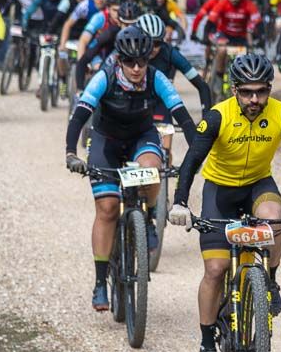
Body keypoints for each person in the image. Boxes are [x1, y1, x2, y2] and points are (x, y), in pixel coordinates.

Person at [169, 54, 281, 352]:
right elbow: (191, 161)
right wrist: (180, 202)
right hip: (220, 191)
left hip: (258, 185)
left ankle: (269, 281)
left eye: (261, 92)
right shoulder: (218, 117)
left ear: (271, 89)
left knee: (275, 222)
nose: (254, 100)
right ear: (234, 90)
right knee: (215, 270)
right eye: (246, 92)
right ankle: (205, 344)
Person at [64, 26, 196, 310]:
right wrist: (71, 153)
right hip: (105, 142)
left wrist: (196, 155)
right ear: (119, 59)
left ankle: (147, 219)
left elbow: (183, 117)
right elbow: (79, 117)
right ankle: (101, 282)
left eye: (142, 62)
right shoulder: (105, 77)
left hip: (141, 138)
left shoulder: (156, 78)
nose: (137, 68)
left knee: (152, 168)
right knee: (108, 208)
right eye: (129, 62)